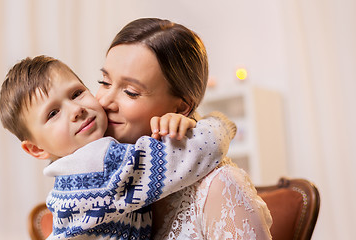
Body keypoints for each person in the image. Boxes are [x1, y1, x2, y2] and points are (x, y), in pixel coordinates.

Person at [0, 55, 237, 239]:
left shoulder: (71, 172)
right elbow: (202, 149)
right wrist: (217, 122)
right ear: (36, 150)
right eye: (53, 113)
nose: (76, 110)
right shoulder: (100, 164)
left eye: (76, 93)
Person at [96, 18, 273, 239]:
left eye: (131, 92)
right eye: (104, 82)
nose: (104, 102)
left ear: (181, 108)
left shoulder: (219, 186)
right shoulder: (101, 178)